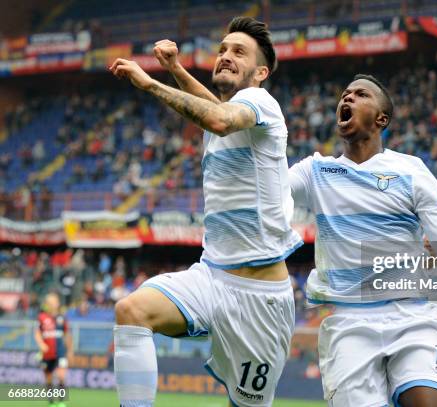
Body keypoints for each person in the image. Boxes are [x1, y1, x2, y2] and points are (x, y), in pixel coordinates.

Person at [109, 17, 302, 407]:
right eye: (223, 50)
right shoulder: (234, 115)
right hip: (211, 276)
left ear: (261, 72)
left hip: (260, 299)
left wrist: (150, 83)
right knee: (131, 310)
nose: (226, 56)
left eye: (239, 52)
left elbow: (218, 118)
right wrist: (176, 69)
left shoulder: (261, 103)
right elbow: (219, 112)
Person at [289, 75, 437, 406]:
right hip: (349, 323)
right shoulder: (315, 172)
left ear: (381, 119)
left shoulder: (411, 171)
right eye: (344, 95)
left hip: (413, 315)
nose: (346, 99)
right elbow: (266, 189)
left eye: (360, 95)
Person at [34, 292, 72, 407]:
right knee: (49, 378)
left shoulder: (62, 318)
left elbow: (67, 335)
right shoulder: (41, 317)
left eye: (54, 302)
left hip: (60, 352)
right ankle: (51, 402)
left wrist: (70, 351)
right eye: (50, 302)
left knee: (61, 376)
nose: (52, 304)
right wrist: (41, 344)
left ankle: (61, 402)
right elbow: (37, 333)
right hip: (47, 354)